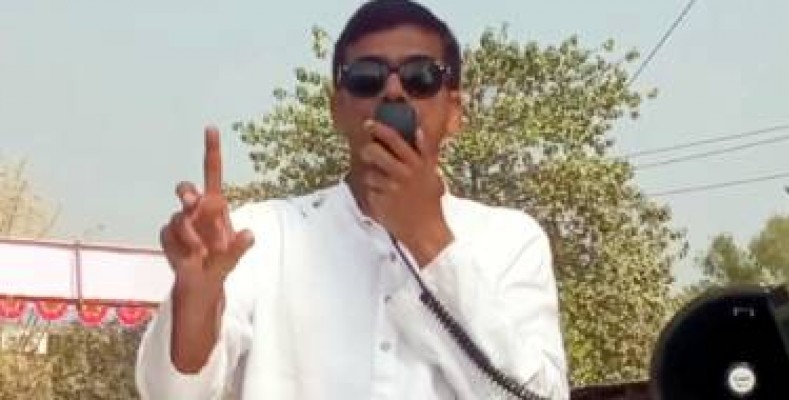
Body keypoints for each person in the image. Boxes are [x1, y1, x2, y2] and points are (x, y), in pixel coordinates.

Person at [135, 0, 568, 399]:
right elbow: (172, 394)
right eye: (367, 77)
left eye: (421, 76)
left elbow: (537, 395)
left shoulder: (510, 240)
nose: (393, 92)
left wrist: (428, 237)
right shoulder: (262, 236)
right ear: (337, 109)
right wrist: (197, 295)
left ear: (454, 112)